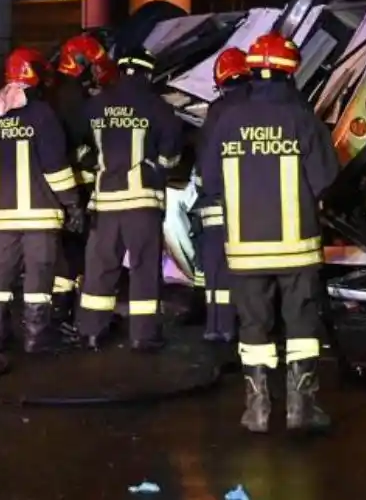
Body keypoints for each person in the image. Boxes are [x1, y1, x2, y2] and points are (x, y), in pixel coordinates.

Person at [197, 32, 340, 433]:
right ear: (290, 72)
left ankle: (257, 410)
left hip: (245, 248)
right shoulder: (301, 118)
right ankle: (301, 409)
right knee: (301, 323)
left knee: (253, 324)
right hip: (297, 247)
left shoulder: (227, 119)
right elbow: (326, 179)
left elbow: (209, 180)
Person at [0, 47, 85, 353]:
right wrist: (72, 203)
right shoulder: (42, 114)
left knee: (1, 271)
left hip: (3, 215)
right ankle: (36, 338)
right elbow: (55, 167)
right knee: (39, 271)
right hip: (40, 214)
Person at [76, 48, 184, 353]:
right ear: (148, 72)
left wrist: (96, 166)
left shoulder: (95, 105)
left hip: (105, 203)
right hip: (142, 204)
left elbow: (77, 147)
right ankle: (143, 335)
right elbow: (171, 156)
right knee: (144, 268)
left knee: (100, 268)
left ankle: (92, 331)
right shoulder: (158, 107)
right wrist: (155, 168)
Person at [48, 34, 112, 324]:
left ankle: (63, 308)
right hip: (78, 183)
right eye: (93, 66)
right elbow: (81, 136)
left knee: (68, 249)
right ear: (81, 63)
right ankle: (72, 311)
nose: (96, 72)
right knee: (78, 247)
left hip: (62, 184)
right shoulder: (72, 96)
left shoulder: (58, 90)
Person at [191, 47, 251, 342]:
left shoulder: (218, 111)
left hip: (217, 202)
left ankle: (217, 326)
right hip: (253, 203)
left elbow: (206, 158)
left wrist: (205, 189)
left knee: (216, 266)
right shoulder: (260, 107)